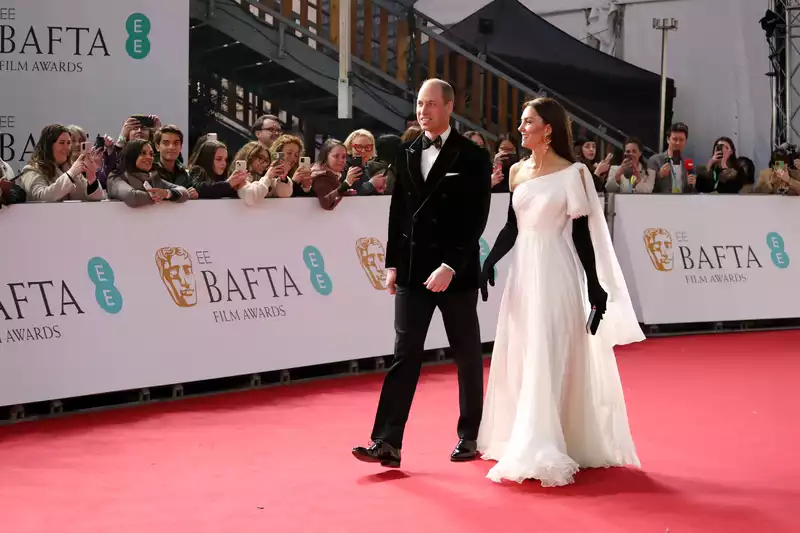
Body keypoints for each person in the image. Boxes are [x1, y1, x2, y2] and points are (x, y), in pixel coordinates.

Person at [477, 97, 645, 487]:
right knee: (522, 351)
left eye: (527, 122)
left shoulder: (574, 174)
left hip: (556, 271)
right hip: (523, 275)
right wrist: (491, 260)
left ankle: (547, 441)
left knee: (548, 350)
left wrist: (596, 286)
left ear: (547, 128)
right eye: (521, 122)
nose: (520, 128)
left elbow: (583, 236)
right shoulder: (516, 171)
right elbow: (511, 227)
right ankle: (525, 432)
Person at [352, 79, 492, 468]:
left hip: (455, 272)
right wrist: (393, 264)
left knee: (465, 354)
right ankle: (386, 441)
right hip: (413, 272)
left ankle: (469, 435)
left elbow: (476, 218)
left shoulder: (472, 156)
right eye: (419, 103)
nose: (422, 110)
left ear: (449, 107)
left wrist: (451, 265)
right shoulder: (408, 150)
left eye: (431, 104)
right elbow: (399, 212)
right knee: (404, 354)